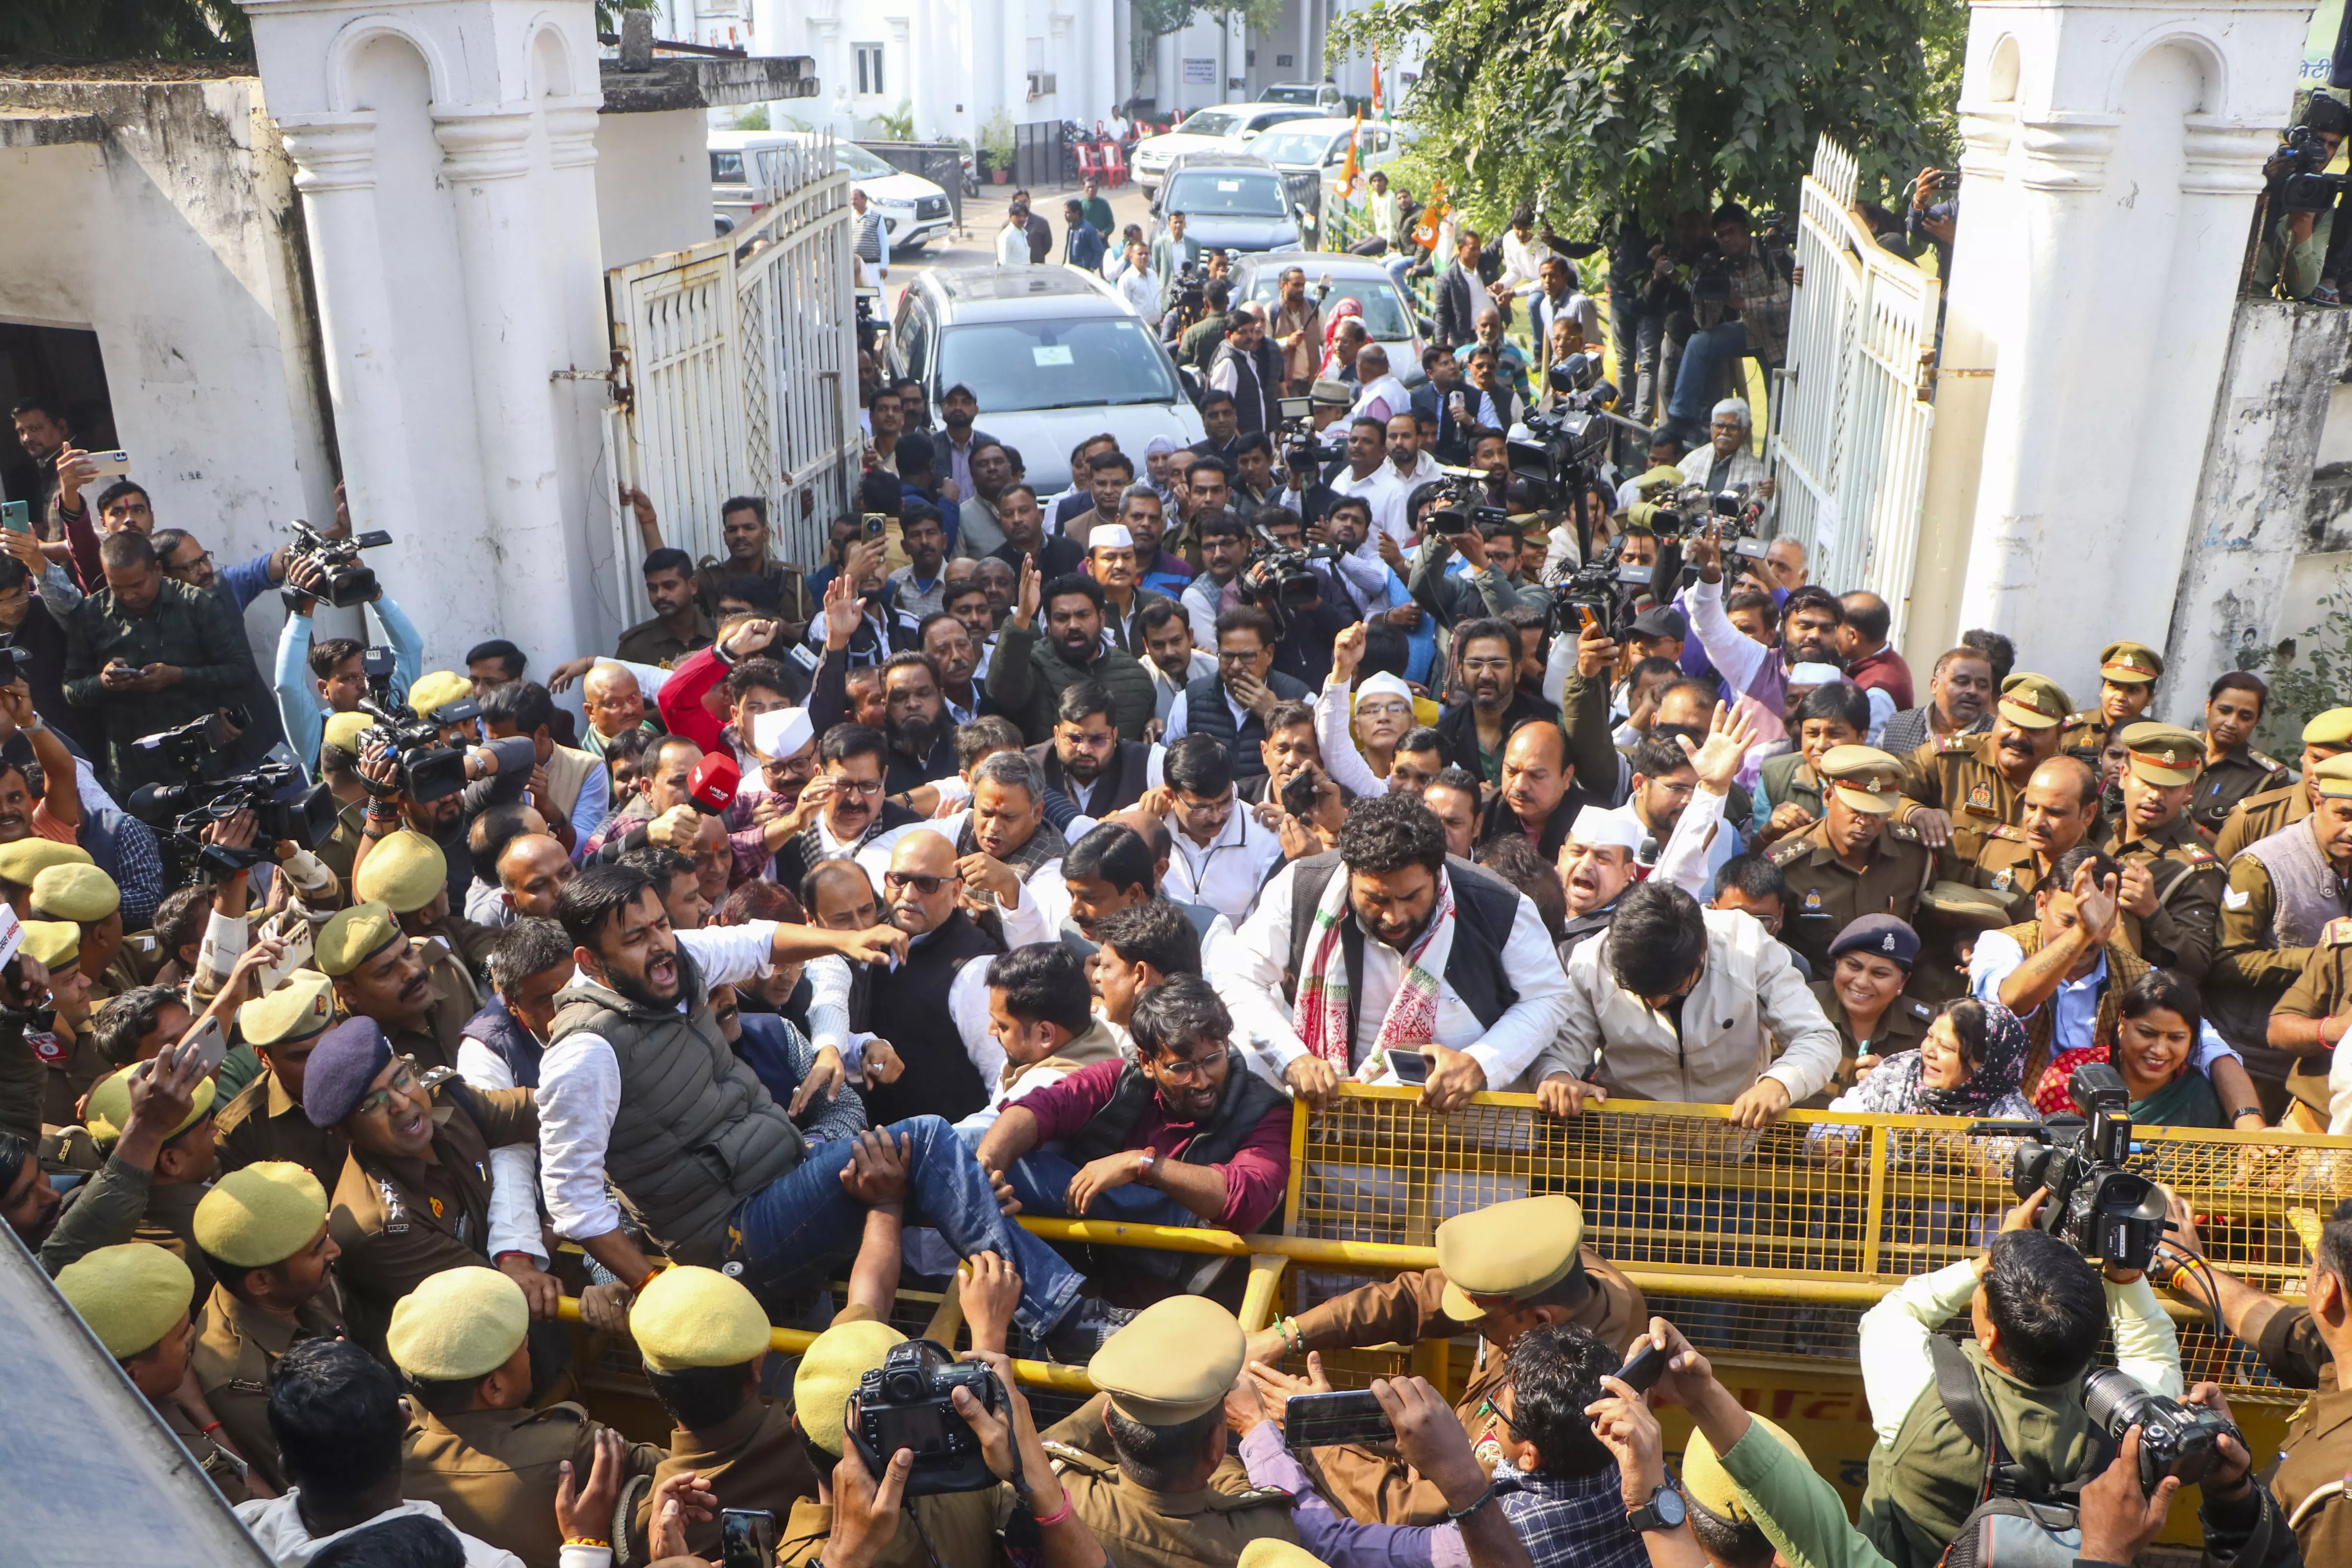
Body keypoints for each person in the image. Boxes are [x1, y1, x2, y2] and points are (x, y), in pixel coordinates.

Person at [538, 862, 1129, 1355]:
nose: (661, 945)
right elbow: (573, 1200)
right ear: (592, 963)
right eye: (636, 938)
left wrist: (846, 941)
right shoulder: (585, 1052)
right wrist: (661, 1287)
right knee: (926, 1138)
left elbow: (758, 941)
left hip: (784, 1181)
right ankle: (1070, 1321)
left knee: (953, 1162)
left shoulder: (672, 962)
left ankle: (1072, 1306)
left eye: (662, 924)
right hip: (733, 1239)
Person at [1243, 1195, 1643, 1525]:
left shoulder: (1562, 1403)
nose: (1475, 1328)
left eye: (1482, 1323)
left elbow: (1423, 1511)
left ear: (1539, 1324)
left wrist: (1320, 1434)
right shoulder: (1563, 1274)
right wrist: (1285, 1335)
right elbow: (1415, 1299)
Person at [1854, 1190, 2181, 1568]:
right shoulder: (2129, 1430)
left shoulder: (1916, 1398)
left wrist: (1991, 1258)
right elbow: (2152, 1353)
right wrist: (2124, 1276)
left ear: (1990, 1335)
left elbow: (1897, 1312)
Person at [1212, 792, 1570, 1111]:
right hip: (1330, 1141)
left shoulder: (1497, 905)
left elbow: (1548, 997)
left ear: (1437, 873)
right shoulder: (1302, 888)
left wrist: (1481, 1063)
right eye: (1377, 899)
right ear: (1349, 874)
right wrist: (1293, 1059)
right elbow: (1238, 977)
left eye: (1411, 897)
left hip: (1467, 1149)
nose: (1394, 916)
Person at [298, 1013, 549, 1355]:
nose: (403, 1104)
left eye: (401, 1080)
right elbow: (498, 1294)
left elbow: (546, 1108)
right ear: (345, 1132)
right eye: (374, 1104)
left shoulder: (447, 1100)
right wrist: (557, 1224)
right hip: (471, 1356)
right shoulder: (378, 1226)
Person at [1537, 878, 1839, 1124]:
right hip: (1631, 1162)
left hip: (1734, 1153)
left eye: (1669, 991)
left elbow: (1817, 1036)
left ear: (1702, 951)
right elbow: (1557, 1055)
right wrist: (1557, 1077)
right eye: (1637, 993)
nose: (1654, 1003)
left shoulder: (1748, 947)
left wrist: (1780, 1083)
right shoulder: (1590, 963)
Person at [1038, 1297, 1307, 1560]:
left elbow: (1044, 1448)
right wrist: (1254, 1422)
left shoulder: (1059, 1498)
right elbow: (1230, 1487)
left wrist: (1140, 1380)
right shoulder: (1266, 1538)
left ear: (1108, 1421)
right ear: (1214, 1445)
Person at [235, 1336, 531, 1565]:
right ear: (405, 1421)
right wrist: (577, 1548)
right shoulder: (484, 1563)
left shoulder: (232, 1529)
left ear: (286, 1469)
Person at [59, 530, 259, 797]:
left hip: (204, 766)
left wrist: (177, 676)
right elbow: (71, 689)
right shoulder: (89, 615)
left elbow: (241, 671)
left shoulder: (198, 604)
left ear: (157, 569)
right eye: (117, 587)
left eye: (137, 585)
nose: (128, 595)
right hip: (134, 778)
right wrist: (103, 682)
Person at [55, 1242, 259, 1504]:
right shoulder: (177, 1461)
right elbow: (264, 1520)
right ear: (132, 1376)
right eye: (183, 1341)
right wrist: (199, 1408)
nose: (193, 1334)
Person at [190, 1158, 346, 1494]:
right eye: (318, 1249)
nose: (335, 1250)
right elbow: (312, 1486)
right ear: (261, 1282)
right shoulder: (240, 1377)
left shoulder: (296, 1288)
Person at [1767, 745, 1934, 976]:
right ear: (1828, 797)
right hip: (1812, 994)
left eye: (1877, 812)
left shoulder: (1913, 855)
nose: (1865, 822)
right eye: (1855, 809)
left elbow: (1927, 934)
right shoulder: (1787, 863)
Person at [1896, 670, 2073, 871]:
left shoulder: (2072, 784)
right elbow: (1878, 785)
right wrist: (1914, 812)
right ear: (1996, 717)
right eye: (2011, 723)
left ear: (2060, 734)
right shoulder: (1949, 759)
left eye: (2034, 730)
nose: (2017, 737)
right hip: (1947, 899)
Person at [2097, 722, 2224, 981]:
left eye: (2171, 787)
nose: (2156, 795)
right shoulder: (2100, 829)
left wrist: (2153, 913)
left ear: (2188, 791)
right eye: (2148, 781)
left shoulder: (2196, 868)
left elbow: (2197, 967)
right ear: (2124, 775)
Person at [988, 566, 1155, 744]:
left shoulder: (1135, 676)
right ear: (1049, 625)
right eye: (1062, 618)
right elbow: (1004, 695)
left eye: (1083, 615)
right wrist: (1022, 617)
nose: (1074, 625)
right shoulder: (1033, 663)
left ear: (1102, 618)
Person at [1145, 734, 1284, 923]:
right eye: (1200, 808)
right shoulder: (1143, 830)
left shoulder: (1267, 839)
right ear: (1171, 794)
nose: (1216, 816)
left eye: (1225, 801)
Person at [2214, 705, 2352, 861]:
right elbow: (2218, 882)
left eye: (2340, 765)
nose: (2321, 773)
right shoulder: (2253, 819)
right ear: (2303, 756)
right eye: (2317, 759)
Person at [2254, 90, 2352, 300]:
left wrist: (2304, 228)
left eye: (2332, 145)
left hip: (2257, 299)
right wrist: (2265, 186)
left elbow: (2303, 289)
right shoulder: (2256, 167)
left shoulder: (2320, 203)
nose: (2323, 152)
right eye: (2319, 141)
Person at [2191, 672, 2289, 837]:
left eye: (2245, 717)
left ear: (2255, 722)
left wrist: (2192, 827)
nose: (2231, 723)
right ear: (2208, 707)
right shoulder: (2176, 747)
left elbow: (2246, 850)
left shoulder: (2266, 779)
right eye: (2224, 711)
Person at [1878, 645, 1996, 759]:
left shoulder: (1997, 738)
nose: (1973, 691)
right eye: (1961, 682)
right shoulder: (1897, 726)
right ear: (1935, 685)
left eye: (1982, 685)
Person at [614, 547, 715, 667]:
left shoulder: (719, 635)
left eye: (669, 586)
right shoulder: (636, 647)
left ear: (692, 586)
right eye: (652, 589)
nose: (660, 595)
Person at [1676, 398, 1769, 493]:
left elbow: (1754, 504)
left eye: (1733, 427)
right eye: (1719, 426)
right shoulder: (1693, 459)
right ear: (1711, 427)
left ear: (1744, 431)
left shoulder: (1755, 470)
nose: (1724, 432)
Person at [1062, 197, 1106, 271]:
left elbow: (1100, 251)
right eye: (1065, 212)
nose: (1065, 215)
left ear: (1076, 214)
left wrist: (1092, 268)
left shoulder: (1087, 230)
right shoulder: (1071, 228)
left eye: (1068, 213)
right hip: (1070, 269)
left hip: (1082, 272)